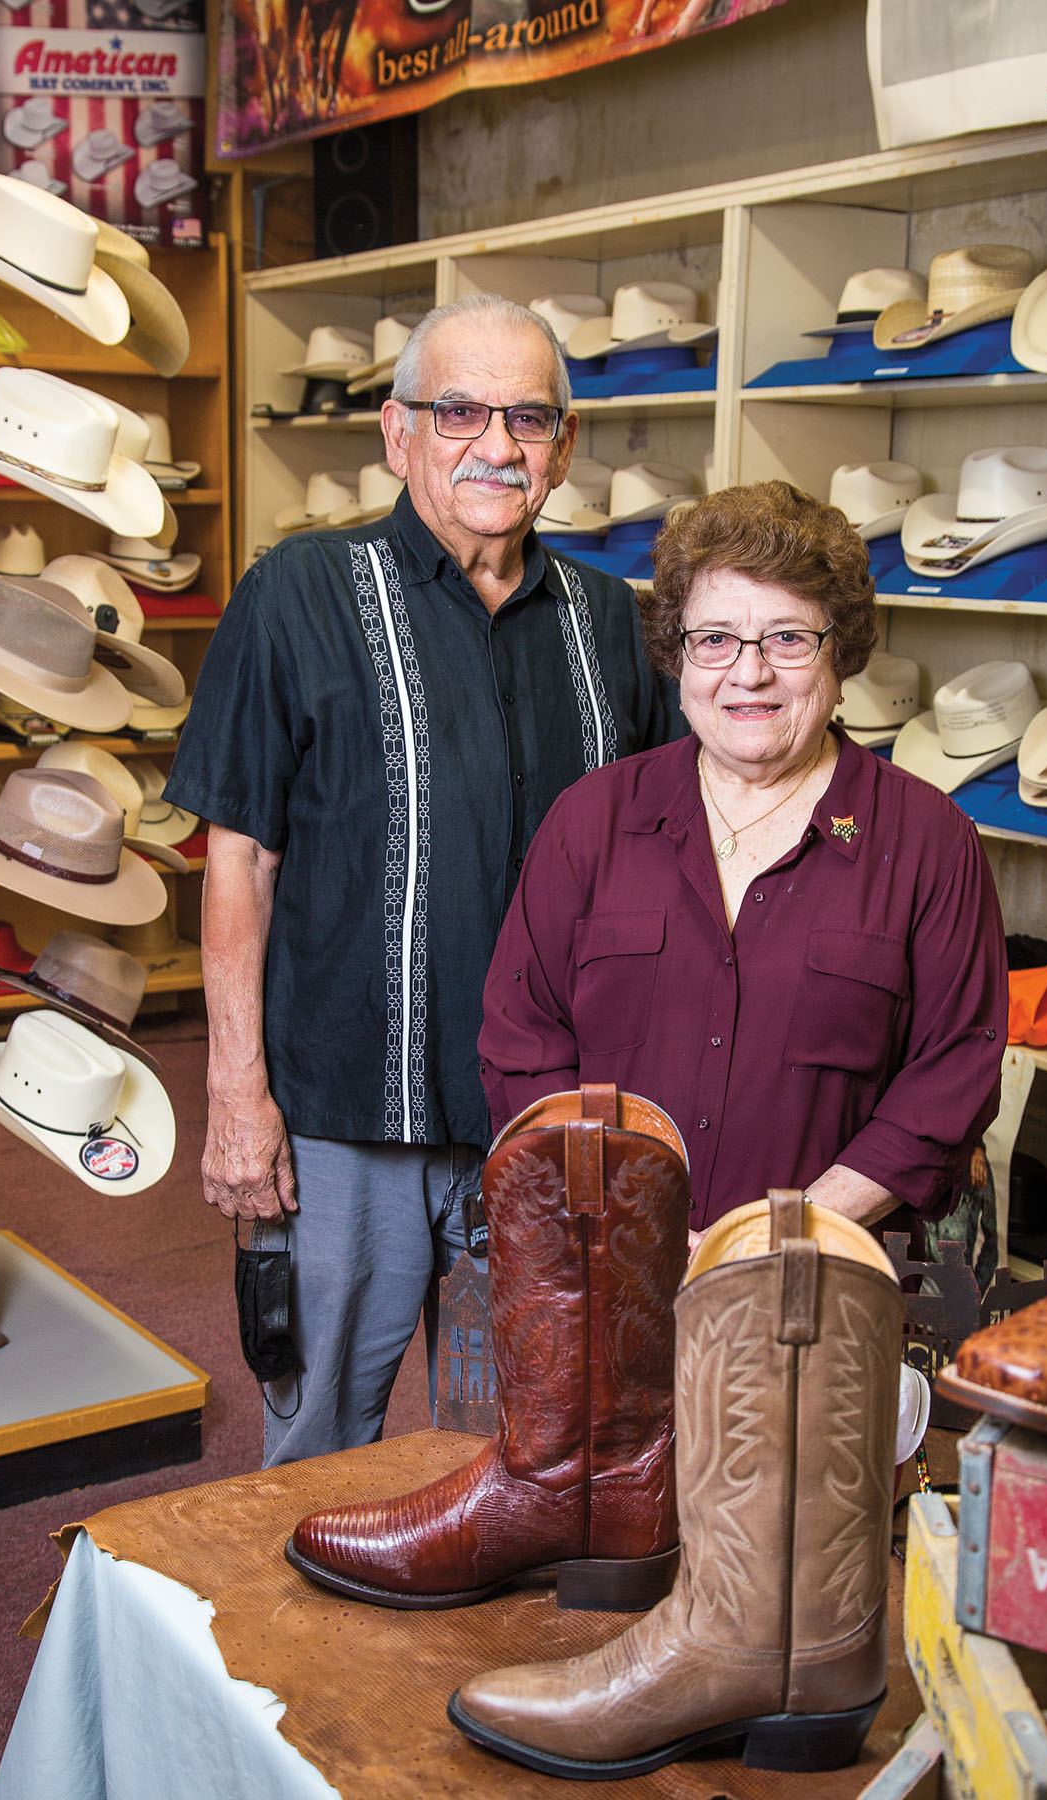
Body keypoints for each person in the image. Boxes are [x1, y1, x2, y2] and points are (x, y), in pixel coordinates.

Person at [164, 293, 684, 1465]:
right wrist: (239, 1098)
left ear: (566, 449)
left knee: (528, 1448)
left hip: (547, 1125)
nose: (496, 446)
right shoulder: (297, 594)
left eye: (529, 418)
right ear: (399, 435)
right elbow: (238, 855)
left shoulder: (612, 622)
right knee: (318, 1447)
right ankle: (283, 1657)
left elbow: (666, 851)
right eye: (459, 412)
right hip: (351, 1116)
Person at [479, 480, 1009, 1243]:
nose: (749, 672)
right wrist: (627, 1224)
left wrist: (779, 1235)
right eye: (715, 638)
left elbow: (951, 1076)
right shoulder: (590, 823)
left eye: (788, 639)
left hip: (821, 1288)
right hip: (607, 1269)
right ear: (678, 654)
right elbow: (522, 1041)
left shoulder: (930, 843)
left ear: (840, 652)